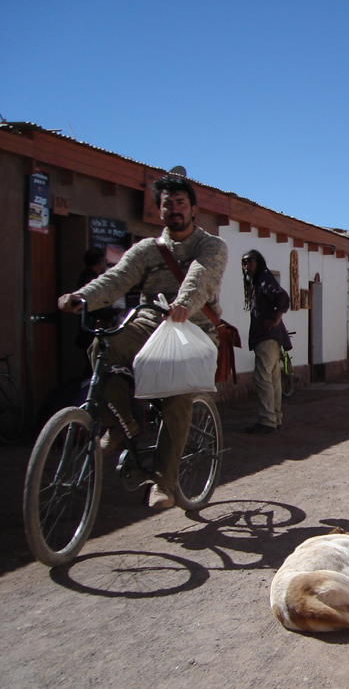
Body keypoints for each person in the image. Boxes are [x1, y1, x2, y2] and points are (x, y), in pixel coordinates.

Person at [57, 173, 228, 510]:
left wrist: (185, 302)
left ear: (194, 209)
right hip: (152, 321)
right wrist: (82, 297)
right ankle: (122, 422)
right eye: (168, 204)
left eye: (181, 203)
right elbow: (116, 278)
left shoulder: (211, 245)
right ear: (159, 210)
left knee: (177, 397)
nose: (175, 209)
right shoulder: (147, 250)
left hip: (193, 327)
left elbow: (201, 275)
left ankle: (164, 482)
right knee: (102, 347)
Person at [242, 250, 291, 435]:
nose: (247, 266)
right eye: (244, 262)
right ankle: (275, 418)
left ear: (259, 262)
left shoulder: (263, 279)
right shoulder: (260, 280)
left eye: (250, 261)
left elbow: (282, 297)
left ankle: (267, 420)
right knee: (273, 379)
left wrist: (276, 320)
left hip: (267, 336)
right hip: (271, 337)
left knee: (262, 377)